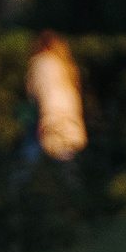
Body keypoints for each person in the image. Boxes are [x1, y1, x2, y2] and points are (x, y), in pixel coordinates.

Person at [25, 31, 87, 161]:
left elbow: (36, 93)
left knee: (35, 161)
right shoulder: (66, 65)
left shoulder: (41, 63)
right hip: (71, 120)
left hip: (51, 117)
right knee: (68, 165)